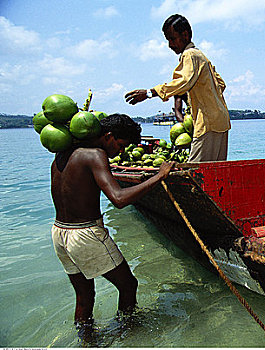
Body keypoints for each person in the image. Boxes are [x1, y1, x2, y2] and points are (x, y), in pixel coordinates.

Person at [50, 114, 174, 334]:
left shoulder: (64, 151)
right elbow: (118, 199)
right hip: (85, 234)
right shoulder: (95, 155)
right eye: (121, 144)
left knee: (84, 296)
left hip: (59, 233)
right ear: (107, 136)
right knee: (128, 285)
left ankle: (87, 341)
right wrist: (159, 176)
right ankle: (129, 334)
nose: (121, 151)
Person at [125, 14, 231, 162]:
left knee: (195, 171)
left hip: (208, 123)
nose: (170, 45)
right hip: (220, 120)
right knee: (215, 171)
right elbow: (221, 84)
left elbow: (184, 81)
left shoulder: (189, 54)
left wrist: (150, 93)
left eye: (172, 39)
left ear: (185, 35)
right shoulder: (201, 56)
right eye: (168, 40)